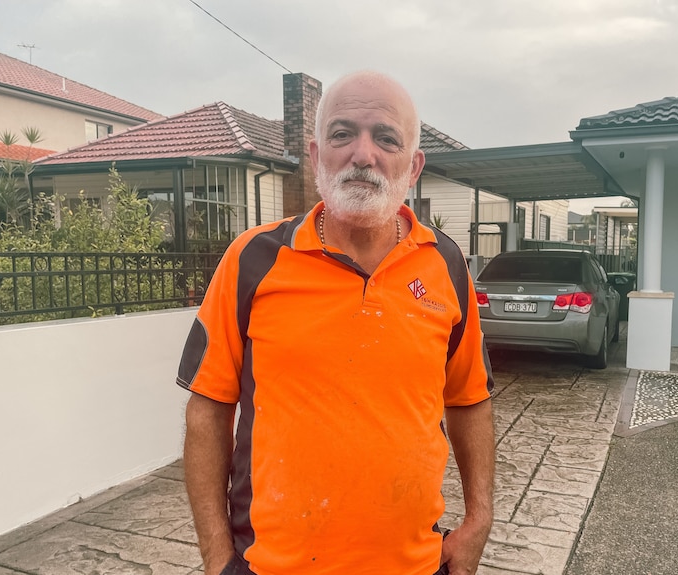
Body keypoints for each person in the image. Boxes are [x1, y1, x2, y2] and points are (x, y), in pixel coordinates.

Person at [176, 70, 495, 575]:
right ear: (315, 152)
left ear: (413, 167)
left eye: (385, 137)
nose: (362, 154)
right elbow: (207, 410)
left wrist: (479, 519)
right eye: (342, 134)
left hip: (413, 564)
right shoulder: (252, 261)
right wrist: (218, 560)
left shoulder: (445, 264)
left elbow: (469, 399)